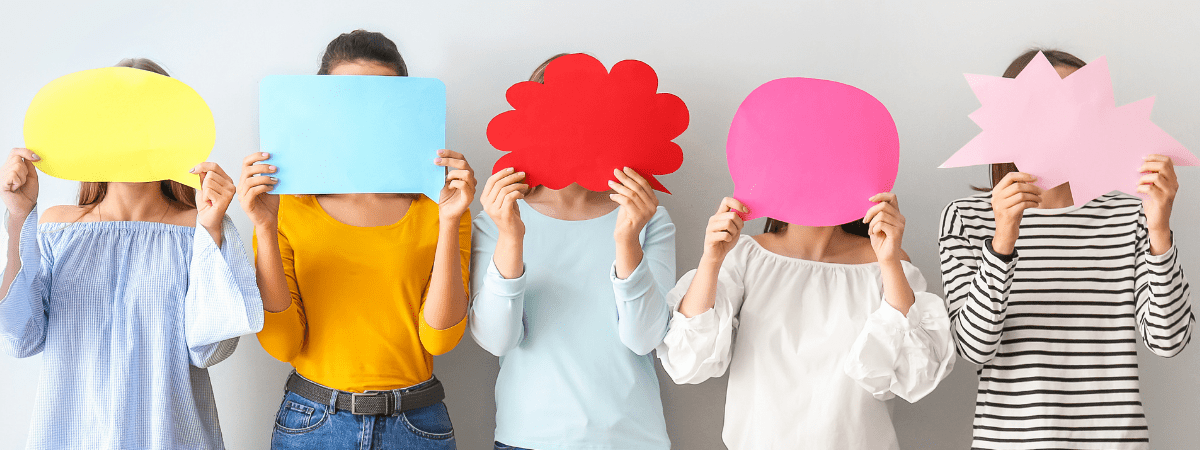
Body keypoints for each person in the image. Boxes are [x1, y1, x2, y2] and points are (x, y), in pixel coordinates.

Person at [0, 58, 262, 450]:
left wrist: (210, 230)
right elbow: (22, 334)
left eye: (147, 119)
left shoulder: (202, 226)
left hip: (171, 438)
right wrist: (20, 216)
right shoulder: (58, 226)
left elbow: (209, 350)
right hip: (70, 435)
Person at [939, 49, 1193, 449]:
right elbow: (973, 348)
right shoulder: (968, 219)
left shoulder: (1132, 216)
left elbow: (1170, 340)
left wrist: (1159, 227)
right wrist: (1003, 240)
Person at [239, 30, 475, 450]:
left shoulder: (439, 207)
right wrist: (263, 228)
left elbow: (440, 339)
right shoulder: (287, 207)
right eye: (347, 101)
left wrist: (450, 218)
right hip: (313, 423)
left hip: (418, 424)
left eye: (380, 101)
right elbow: (281, 343)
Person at [470, 55, 675, 450]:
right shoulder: (496, 218)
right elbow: (496, 339)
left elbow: (645, 337)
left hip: (633, 439)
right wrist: (511, 236)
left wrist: (627, 239)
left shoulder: (650, 219)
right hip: (527, 438)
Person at [657, 194, 954, 449]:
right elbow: (688, 359)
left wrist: (889, 261)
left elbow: (916, 374)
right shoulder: (746, 256)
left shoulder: (884, 263)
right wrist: (711, 258)